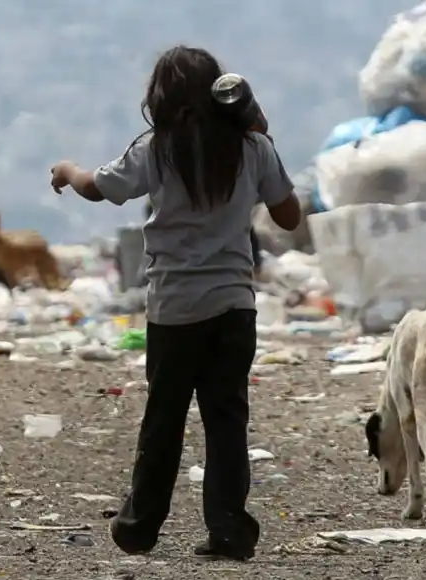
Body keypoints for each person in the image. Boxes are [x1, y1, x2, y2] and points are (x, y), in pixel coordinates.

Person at [49, 45, 301, 561]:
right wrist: (265, 137)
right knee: (226, 420)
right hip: (234, 308)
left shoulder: (157, 149)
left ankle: (139, 526)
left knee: (163, 419)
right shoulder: (252, 149)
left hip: (174, 309)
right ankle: (229, 529)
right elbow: (290, 216)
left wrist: (67, 171)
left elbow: (100, 188)